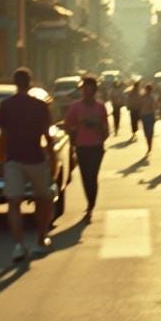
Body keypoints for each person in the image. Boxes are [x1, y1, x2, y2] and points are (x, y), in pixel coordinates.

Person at [0, 67, 56, 262]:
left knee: (14, 203)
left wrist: (1, 161)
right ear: (30, 82)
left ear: (15, 83)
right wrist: (53, 159)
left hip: (13, 159)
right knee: (43, 199)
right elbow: (48, 136)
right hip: (36, 158)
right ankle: (40, 239)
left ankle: (18, 245)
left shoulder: (5, 105)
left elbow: (3, 136)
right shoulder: (40, 106)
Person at [64, 75, 110, 220]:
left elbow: (106, 128)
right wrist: (76, 128)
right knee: (85, 176)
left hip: (96, 146)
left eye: (90, 89)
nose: (86, 92)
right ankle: (89, 203)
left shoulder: (100, 107)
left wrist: (98, 127)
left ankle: (91, 205)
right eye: (84, 88)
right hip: (82, 146)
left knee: (93, 176)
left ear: (94, 90)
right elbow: (67, 125)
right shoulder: (75, 107)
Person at [139, 83, 157, 156]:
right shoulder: (142, 97)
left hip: (150, 116)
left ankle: (150, 146)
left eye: (150, 90)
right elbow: (139, 106)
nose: (149, 91)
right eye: (148, 89)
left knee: (150, 132)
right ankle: (149, 145)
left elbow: (154, 108)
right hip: (144, 116)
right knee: (147, 132)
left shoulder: (152, 98)